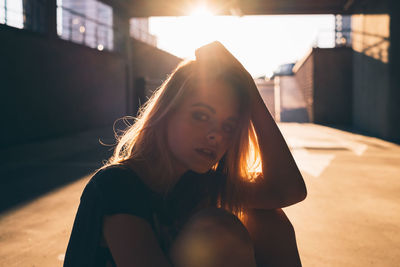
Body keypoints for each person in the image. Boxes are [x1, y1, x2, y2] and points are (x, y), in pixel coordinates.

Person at [64, 41, 307, 267]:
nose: (216, 135)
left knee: (268, 220)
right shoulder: (116, 184)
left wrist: (248, 87)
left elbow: (288, 190)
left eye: (228, 126)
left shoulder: (198, 182)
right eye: (200, 116)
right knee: (217, 231)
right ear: (167, 113)